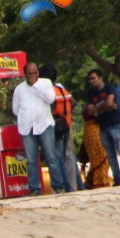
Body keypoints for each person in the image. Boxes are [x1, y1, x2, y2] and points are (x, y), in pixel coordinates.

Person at [12, 62, 67, 196]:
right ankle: (34, 189)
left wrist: (35, 85)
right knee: (31, 160)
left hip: (44, 125)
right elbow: (15, 109)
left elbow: (50, 98)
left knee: (51, 156)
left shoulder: (45, 83)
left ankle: (58, 186)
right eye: (30, 74)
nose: (33, 75)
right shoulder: (19, 89)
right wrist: (26, 115)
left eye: (35, 73)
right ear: (25, 74)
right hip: (27, 127)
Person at [86, 69, 120, 186]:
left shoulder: (109, 87)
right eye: (90, 79)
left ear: (100, 78)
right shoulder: (91, 94)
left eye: (93, 78)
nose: (91, 81)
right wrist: (104, 107)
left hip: (115, 123)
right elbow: (90, 111)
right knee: (111, 155)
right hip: (103, 126)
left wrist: (98, 109)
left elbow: (108, 102)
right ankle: (118, 179)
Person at [39, 64, 84, 192]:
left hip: (54, 128)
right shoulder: (60, 87)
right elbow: (73, 102)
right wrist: (66, 114)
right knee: (69, 157)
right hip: (66, 125)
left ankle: (65, 186)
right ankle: (76, 186)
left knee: (57, 158)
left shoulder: (47, 90)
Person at [80, 96, 112, 189]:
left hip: (97, 129)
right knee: (99, 157)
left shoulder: (104, 95)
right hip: (93, 131)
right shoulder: (91, 101)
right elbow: (88, 113)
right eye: (90, 79)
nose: (92, 80)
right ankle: (98, 182)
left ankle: (95, 182)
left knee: (103, 157)